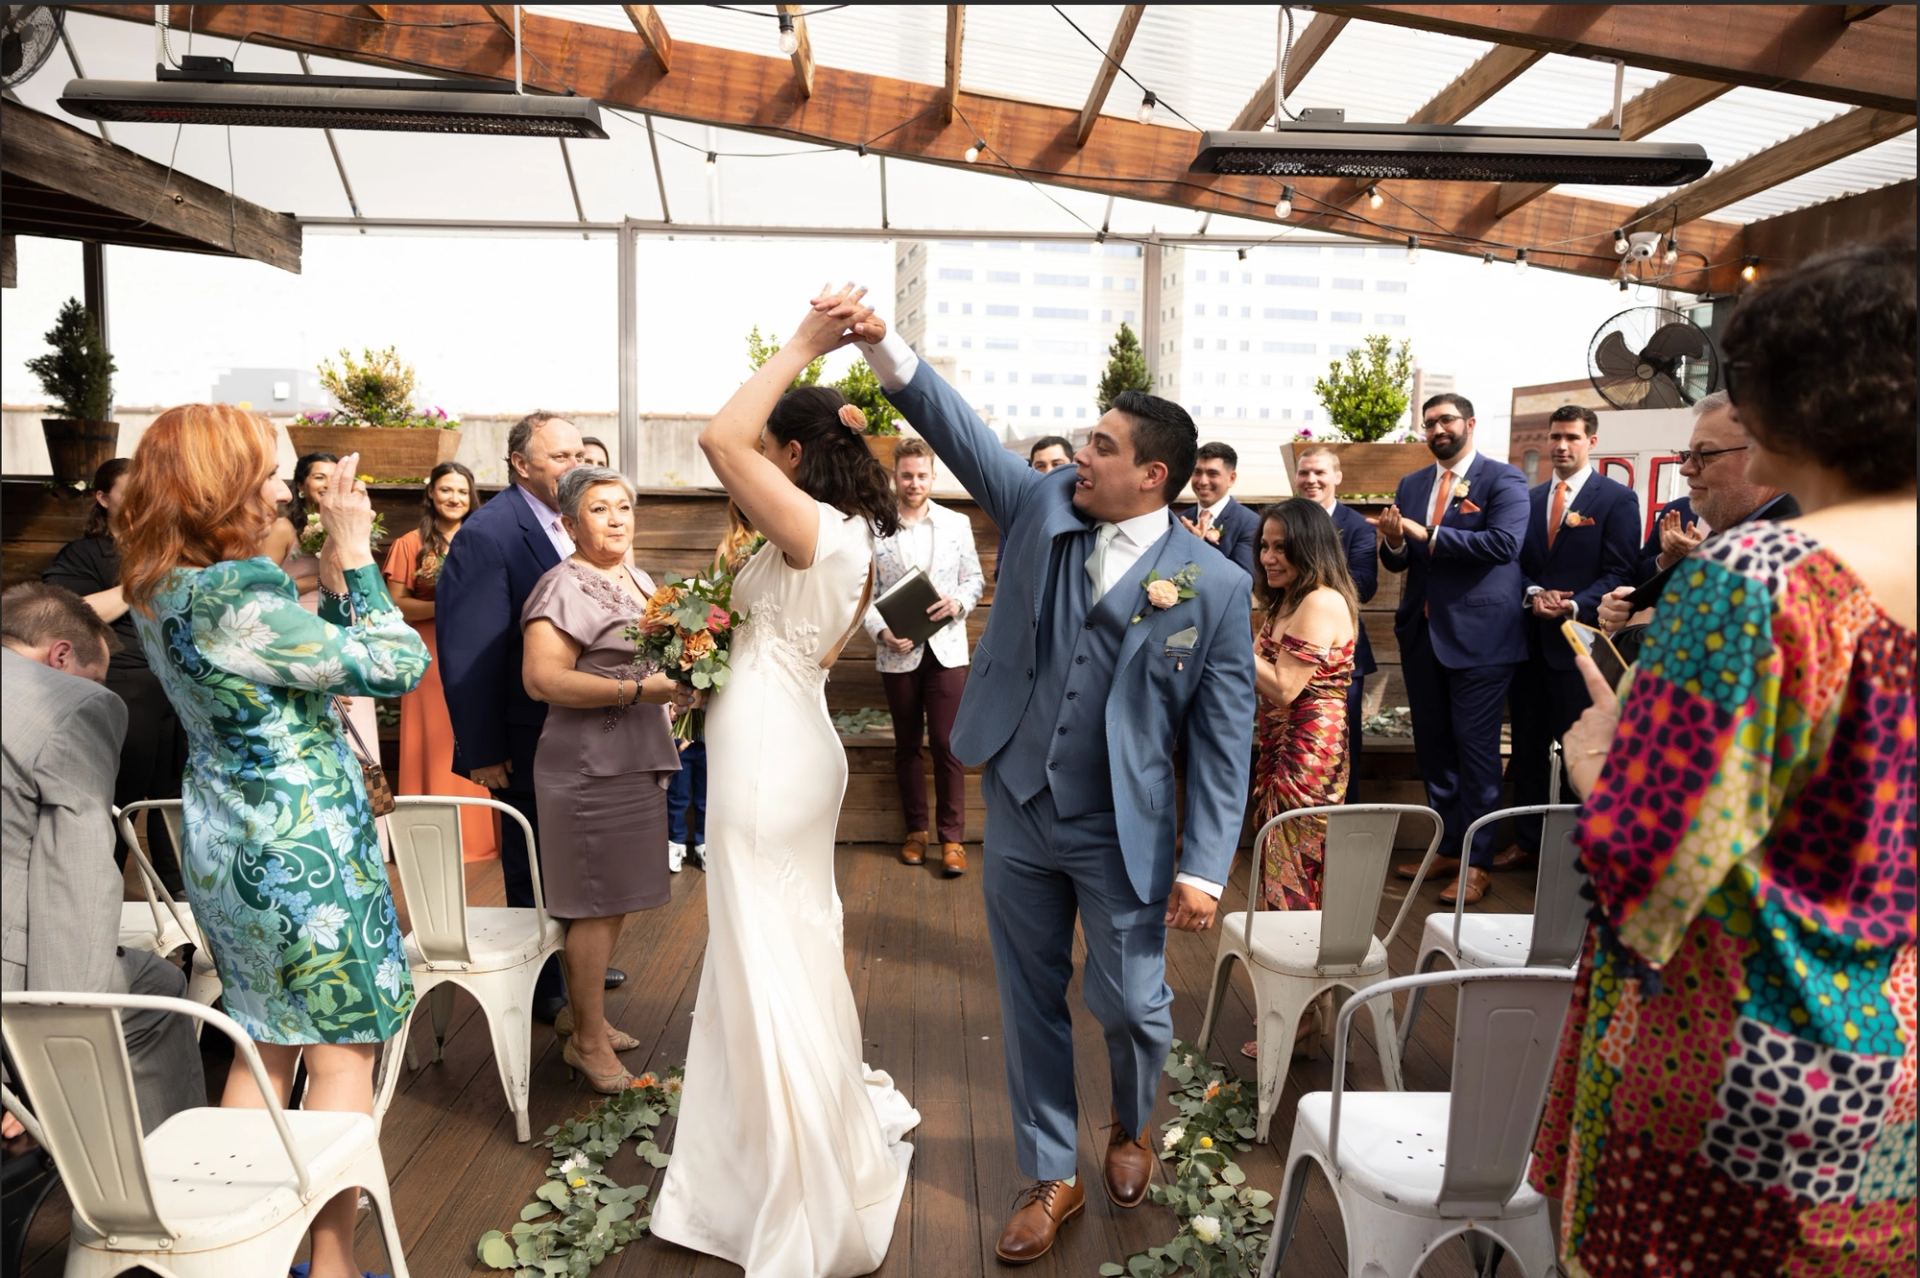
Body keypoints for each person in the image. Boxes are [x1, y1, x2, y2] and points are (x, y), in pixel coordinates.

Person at [1532, 239, 1915, 1277]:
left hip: (1740, 1062)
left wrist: (1600, 761)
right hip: (1901, 1059)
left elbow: (1653, 874)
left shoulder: (1759, 580)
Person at [863, 297, 1255, 1264]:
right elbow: (952, 427)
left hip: (1124, 827)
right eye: (1087, 439)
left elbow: (1223, 735)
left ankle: (1129, 1121)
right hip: (1021, 809)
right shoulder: (1040, 505)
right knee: (1027, 994)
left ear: (1152, 475)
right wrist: (881, 343)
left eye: (1105, 446)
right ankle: (1051, 1173)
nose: (1084, 455)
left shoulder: (1214, 586)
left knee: (1131, 1003)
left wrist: (1206, 865)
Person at [115, 408, 428, 1278]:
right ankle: (327, 1268)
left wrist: (326, 574)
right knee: (340, 1056)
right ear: (219, 488)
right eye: (270, 474)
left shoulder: (164, 585)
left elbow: (306, 663)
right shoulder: (235, 597)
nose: (285, 487)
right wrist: (358, 558)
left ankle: (242, 1254)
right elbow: (397, 666)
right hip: (306, 856)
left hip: (226, 842)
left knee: (265, 1039)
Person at [650, 289, 920, 1278]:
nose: (750, 462)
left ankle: (782, 1173)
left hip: (768, 760)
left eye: (773, 448)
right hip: (786, 741)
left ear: (794, 457)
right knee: (774, 944)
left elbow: (722, 438)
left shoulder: (812, 529)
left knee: (762, 947)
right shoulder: (835, 538)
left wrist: (802, 346)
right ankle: (767, 1142)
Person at [437, 410, 624, 1022]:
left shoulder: (578, 525)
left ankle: (580, 965)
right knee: (534, 863)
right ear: (520, 465)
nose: (580, 466)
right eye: (562, 457)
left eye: (581, 454)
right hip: (524, 734)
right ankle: (544, 988)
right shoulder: (488, 533)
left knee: (580, 856)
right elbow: (468, 652)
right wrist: (484, 749)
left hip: (585, 733)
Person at [1, 582, 206, 1134]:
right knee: (159, 991)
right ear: (60, 654)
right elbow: (77, 880)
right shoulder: (72, 704)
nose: (99, 688)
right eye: (96, 674)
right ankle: (153, 1198)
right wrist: (59, 1044)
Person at [520, 466, 692, 1093]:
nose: (617, 518)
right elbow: (543, 680)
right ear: (568, 524)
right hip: (588, 768)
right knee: (592, 905)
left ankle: (582, 1015)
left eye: (624, 506)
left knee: (614, 900)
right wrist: (639, 690)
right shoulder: (559, 586)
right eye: (600, 509)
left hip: (636, 760)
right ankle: (586, 1042)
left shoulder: (636, 577)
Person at [1374, 393, 1528, 906]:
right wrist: (1396, 541)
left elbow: (1503, 545)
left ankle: (1478, 861)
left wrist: (1427, 532)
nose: (1437, 429)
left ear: (1469, 424)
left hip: (1481, 642)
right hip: (1421, 636)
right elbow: (1398, 560)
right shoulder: (1413, 483)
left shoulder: (1503, 479)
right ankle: (1449, 845)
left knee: (1477, 752)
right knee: (1435, 749)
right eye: (1429, 423)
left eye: (1445, 420)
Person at [1242, 499, 1359, 1061]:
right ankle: (1302, 1003)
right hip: (1279, 741)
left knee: (1294, 867)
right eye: (1264, 545)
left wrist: (1226, 638)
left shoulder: (1320, 601)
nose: (1269, 556)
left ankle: (1304, 1011)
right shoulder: (1287, 601)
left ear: (1309, 547)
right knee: (1282, 866)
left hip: (1309, 747)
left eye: (1281, 546)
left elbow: (1286, 687)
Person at [41, 457, 189, 893]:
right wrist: (136, 582)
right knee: (121, 795)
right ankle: (95, 893)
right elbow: (69, 617)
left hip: (177, 687)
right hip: (124, 687)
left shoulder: (176, 551)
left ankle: (178, 891)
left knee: (176, 796)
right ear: (103, 498)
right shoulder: (85, 554)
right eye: (132, 489)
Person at [1501, 405, 1639, 871]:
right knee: (1527, 750)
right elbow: (1514, 564)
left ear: (1591, 443)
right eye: (1556, 437)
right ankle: (1528, 843)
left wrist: (1576, 603)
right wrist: (1534, 593)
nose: (1561, 446)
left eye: (1572, 438)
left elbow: (1621, 570)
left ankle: (1584, 849)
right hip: (1529, 645)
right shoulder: (1531, 496)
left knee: (1583, 750)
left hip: (1580, 649)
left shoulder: (1617, 500)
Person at [863, 436, 985, 877]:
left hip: (948, 649)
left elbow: (974, 579)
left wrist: (959, 603)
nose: (913, 482)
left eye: (921, 475)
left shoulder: (956, 523)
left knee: (949, 745)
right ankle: (916, 833)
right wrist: (882, 631)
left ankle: (952, 839)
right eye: (906, 475)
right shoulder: (875, 527)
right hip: (898, 653)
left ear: (933, 476)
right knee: (907, 745)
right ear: (895, 476)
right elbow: (863, 595)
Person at [1597, 390, 1801, 639]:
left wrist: (1635, 632)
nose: (1685, 469)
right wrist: (1630, 604)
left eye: (1705, 454)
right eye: (1688, 455)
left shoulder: (1782, 546)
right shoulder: (1736, 527)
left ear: (1765, 456)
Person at [383, 461, 497, 861]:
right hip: (429, 655)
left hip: (481, 653)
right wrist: (444, 606)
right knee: (433, 737)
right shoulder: (409, 544)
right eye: (447, 490)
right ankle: (433, 843)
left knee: (478, 733)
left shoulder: (486, 540)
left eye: (462, 492)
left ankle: (482, 838)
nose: (455, 498)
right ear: (431, 493)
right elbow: (394, 605)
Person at [1293, 445, 1378, 781]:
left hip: (1340, 655)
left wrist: (1315, 574)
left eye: (1319, 472)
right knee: (1293, 745)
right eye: (1304, 473)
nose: (1311, 480)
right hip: (1288, 646)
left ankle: (1342, 831)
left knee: (1340, 750)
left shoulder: (1356, 526)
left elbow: (1366, 585)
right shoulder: (1284, 519)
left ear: (1337, 478)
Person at [1178, 441, 1261, 580]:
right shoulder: (1179, 520)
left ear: (1231, 479)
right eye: (1197, 472)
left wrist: (1199, 547)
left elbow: (1243, 579)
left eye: (1212, 474)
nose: (1203, 481)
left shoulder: (1249, 523)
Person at [996, 436, 1075, 578]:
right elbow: (1001, 571)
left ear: (1072, 463)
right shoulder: (1017, 512)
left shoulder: (1088, 508)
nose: (1049, 471)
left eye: (1057, 464)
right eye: (1040, 465)